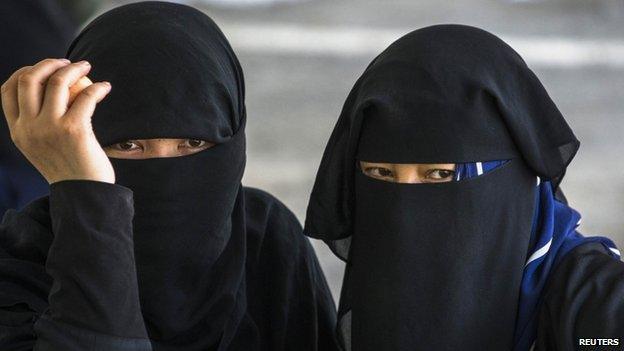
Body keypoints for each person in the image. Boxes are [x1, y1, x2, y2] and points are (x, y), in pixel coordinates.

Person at [0, 2, 338, 350]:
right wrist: (89, 199)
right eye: (128, 144)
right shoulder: (23, 263)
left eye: (193, 142)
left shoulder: (265, 237)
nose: (164, 169)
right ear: (81, 141)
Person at [303, 24, 624, 351]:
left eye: (440, 175)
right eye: (381, 173)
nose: (403, 212)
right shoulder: (380, 293)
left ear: (512, 179)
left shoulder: (597, 303)